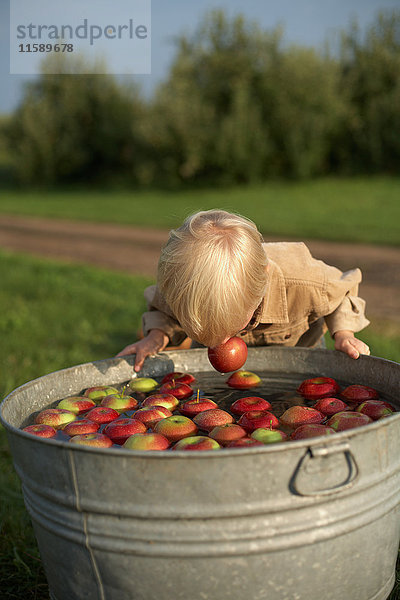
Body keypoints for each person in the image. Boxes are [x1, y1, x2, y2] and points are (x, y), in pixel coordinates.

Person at [116, 209, 370, 372]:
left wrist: (343, 332)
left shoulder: (307, 281)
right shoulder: (185, 288)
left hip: (299, 367)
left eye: (230, 329)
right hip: (217, 375)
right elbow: (163, 310)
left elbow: (342, 294)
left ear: (263, 282)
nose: (222, 344)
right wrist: (156, 337)